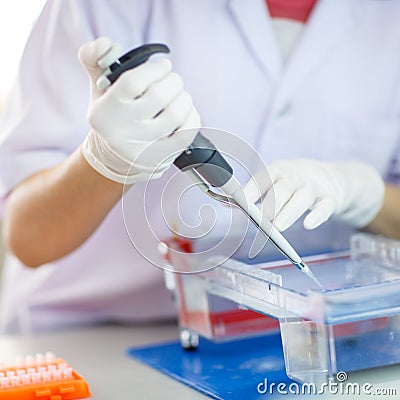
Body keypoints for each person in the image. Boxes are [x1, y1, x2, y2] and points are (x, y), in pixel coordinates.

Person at [1, 0, 400, 333]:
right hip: (93, 336)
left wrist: (368, 196)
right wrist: (105, 162)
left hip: (306, 338)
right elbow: (26, 237)